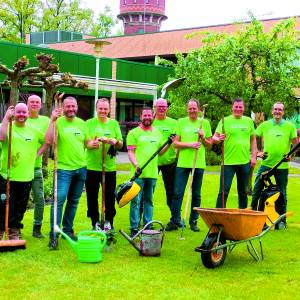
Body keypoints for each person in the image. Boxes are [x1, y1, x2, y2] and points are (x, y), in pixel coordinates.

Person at [46, 96, 89, 249]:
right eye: (68, 106)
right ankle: (53, 234)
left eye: (73, 106)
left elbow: (87, 142)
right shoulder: (57, 121)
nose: (71, 109)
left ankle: (68, 230)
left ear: (77, 107)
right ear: (63, 107)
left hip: (81, 167)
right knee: (59, 200)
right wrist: (52, 120)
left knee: (74, 201)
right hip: (63, 168)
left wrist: (94, 143)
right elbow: (49, 140)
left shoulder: (82, 124)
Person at [165, 99, 212, 232]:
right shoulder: (181, 122)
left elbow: (209, 145)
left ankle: (193, 221)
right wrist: (190, 145)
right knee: (177, 193)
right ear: (187, 109)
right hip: (183, 163)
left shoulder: (205, 123)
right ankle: (175, 220)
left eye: (194, 108)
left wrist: (202, 138)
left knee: (196, 193)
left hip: (198, 164)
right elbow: (175, 143)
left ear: (198, 109)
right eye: (190, 108)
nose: (192, 110)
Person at [0, 103, 44, 240]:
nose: (21, 115)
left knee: (20, 207)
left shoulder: (33, 130)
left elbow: (49, 140)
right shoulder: (7, 126)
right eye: (18, 112)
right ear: (14, 113)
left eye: (24, 112)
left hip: (26, 176)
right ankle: (1, 230)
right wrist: (6, 118)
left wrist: (37, 154)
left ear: (28, 114)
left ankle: (14, 231)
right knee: (3, 205)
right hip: (7, 176)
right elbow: (1, 138)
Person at [251, 102, 297, 222]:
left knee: (282, 193)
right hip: (266, 164)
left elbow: (296, 143)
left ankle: (281, 220)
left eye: (280, 110)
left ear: (283, 112)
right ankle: (252, 214)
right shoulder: (265, 125)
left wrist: (290, 155)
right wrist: (257, 152)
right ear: (272, 111)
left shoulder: (290, 126)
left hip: (282, 166)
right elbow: (254, 137)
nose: (277, 111)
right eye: (275, 109)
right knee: (256, 189)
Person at [127, 107, 167, 237]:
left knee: (149, 200)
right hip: (138, 174)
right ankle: (134, 226)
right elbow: (131, 151)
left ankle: (147, 224)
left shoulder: (157, 133)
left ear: (152, 117)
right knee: (135, 201)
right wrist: (136, 165)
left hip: (152, 174)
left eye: (150, 115)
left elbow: (161, 152)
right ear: (141, 117)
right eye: (145, 115)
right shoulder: (133, 133)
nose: (148, 117)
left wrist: (169, 143)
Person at [85, 98, 123, 231]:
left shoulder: (114, 124)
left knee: (109, 196)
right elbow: (85, 142)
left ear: (109, 109)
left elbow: (120, 143)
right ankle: (95, 222)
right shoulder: (89, 123)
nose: (103, 111)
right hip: (92, 167)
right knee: (92, 196)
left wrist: (114, 141)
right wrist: (91, 144)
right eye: (100, 108)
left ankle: (109, 222)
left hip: (109, 167)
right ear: (96, 109)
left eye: (105, 109)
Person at [212, 98, 256, 209]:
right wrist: (219, 139)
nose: (238, 109)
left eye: (240, 107)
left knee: (243, 192)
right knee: (223, 192)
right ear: (232, 107)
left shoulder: (249, 121)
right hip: (228, 162)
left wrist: (254, 156)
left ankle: (242, 216)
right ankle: (219, 217)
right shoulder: (224, 121)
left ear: (243, 108)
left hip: (244, 162)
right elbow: (214, 137)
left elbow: (253, 140)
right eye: (236, 107)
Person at [26, 95, 49, 238]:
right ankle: (14, 227)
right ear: (27, 104)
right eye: (32, 102)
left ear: (41, 105)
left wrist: (37, 155)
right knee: (18, 199)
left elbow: (48, 140)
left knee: (40, 198)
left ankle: (37, 228)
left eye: (37, 102)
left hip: (36, 167)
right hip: (19, 168)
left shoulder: (45, 121)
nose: (34, 104)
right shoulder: (20, 117)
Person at [153, 98, 177, 212]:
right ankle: (144, 219)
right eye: (159, 106)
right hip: (152, 162)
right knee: (148, 191)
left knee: (171, 191)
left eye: (164, 106)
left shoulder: (174, 123)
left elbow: (178, 140)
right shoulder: (150, 121)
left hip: (170, 162)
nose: (162, 108)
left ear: (167, 108)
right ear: (155, 107)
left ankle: (174, 218)